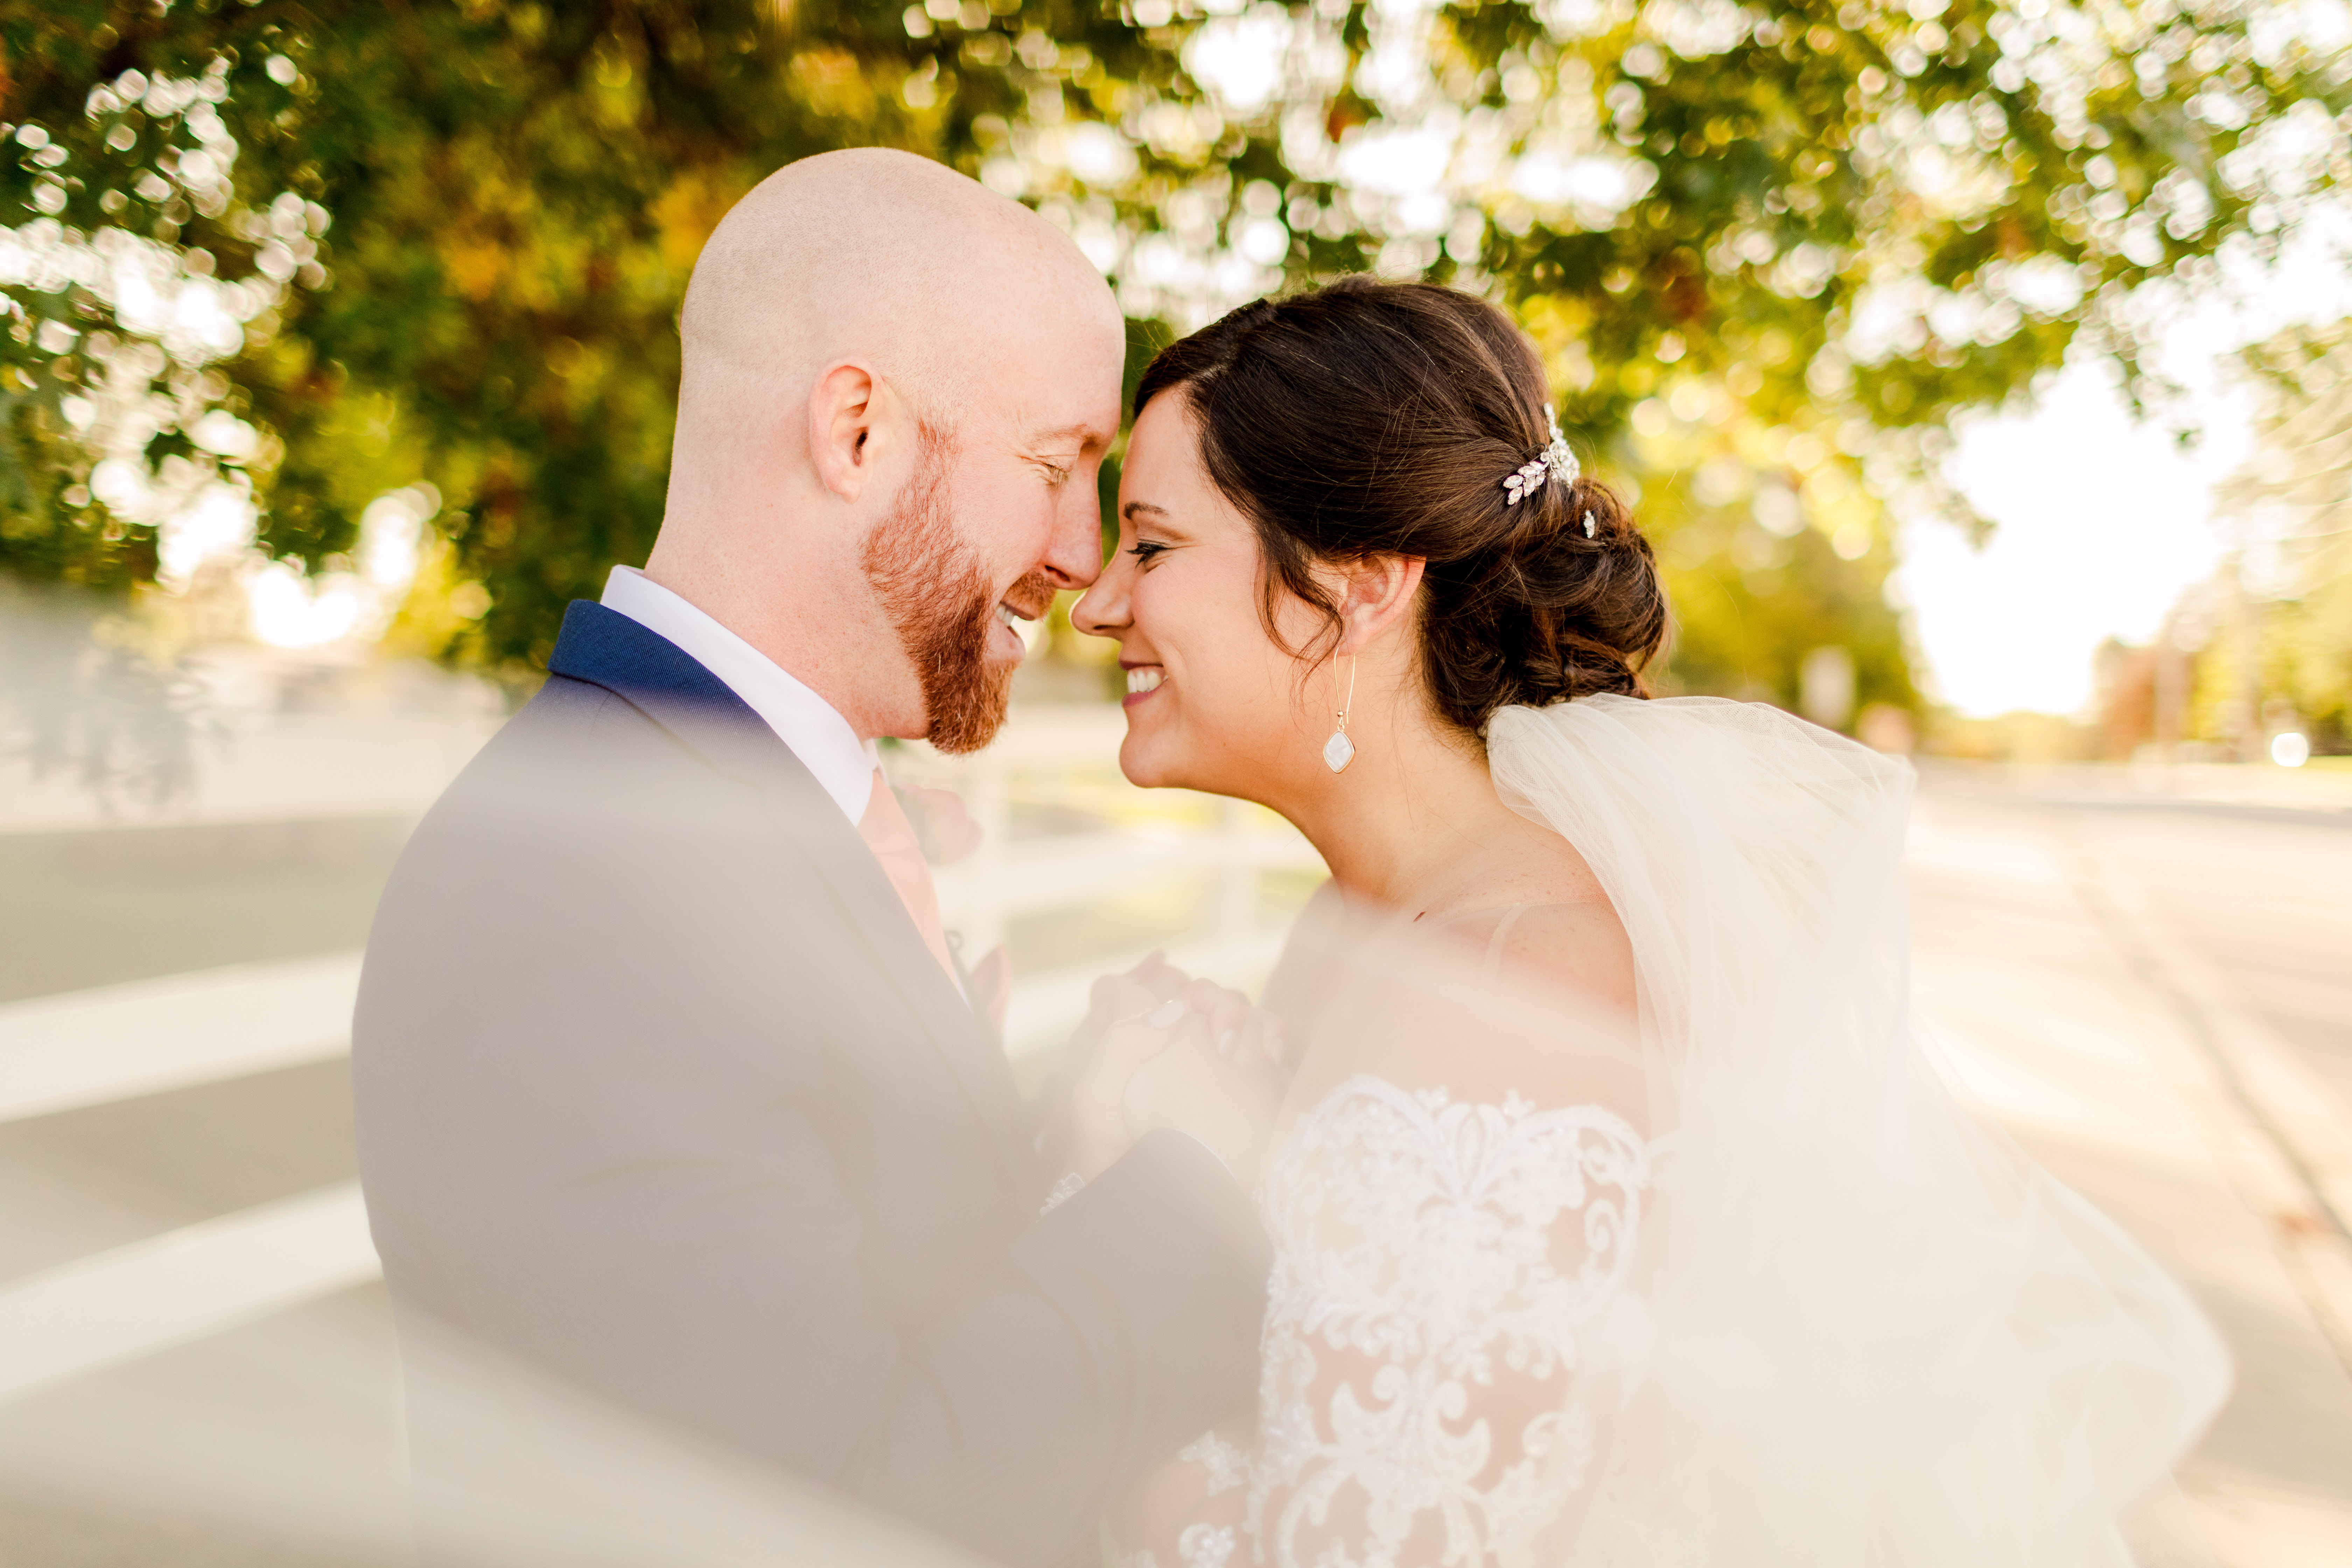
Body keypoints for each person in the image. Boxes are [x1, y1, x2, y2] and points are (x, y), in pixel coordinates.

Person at [1073, 277, 2232, 1568]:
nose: (1097, 599)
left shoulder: (1520, 983)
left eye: (1155, 546)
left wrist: (1138, 1166)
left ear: (1355, 586)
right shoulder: (1362, 923)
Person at [351, 149, 1287, 1568]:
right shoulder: (597, 889)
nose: (1078, 560)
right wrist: (1194, 1195)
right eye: (1054, 466)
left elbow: (826, 1293)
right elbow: (832, 1496)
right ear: (857, 430)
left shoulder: (736, 815)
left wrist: (1059, 1147)